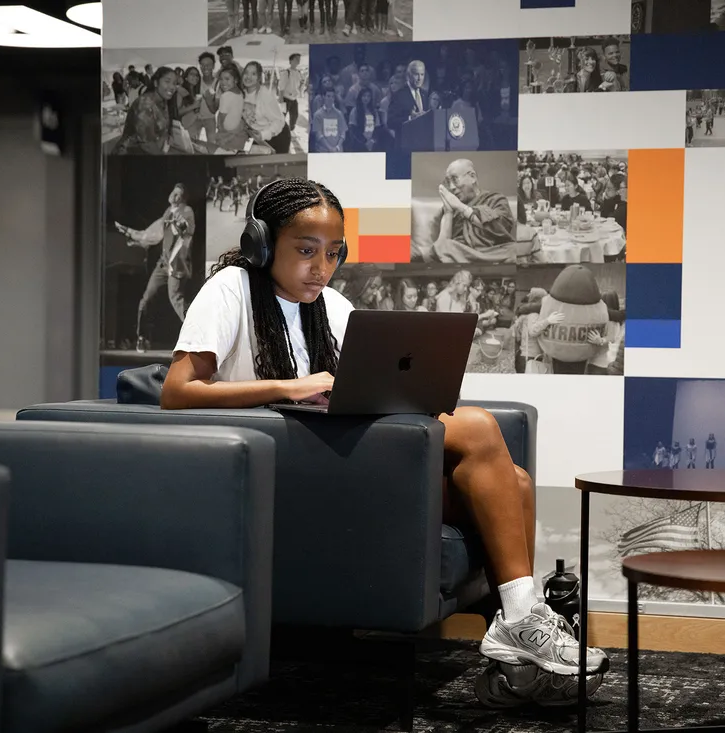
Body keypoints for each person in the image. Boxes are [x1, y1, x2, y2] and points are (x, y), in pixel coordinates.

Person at [160, 177, 607, 699]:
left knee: (518, 484)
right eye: (305, 251)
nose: (320, 267)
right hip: (277, 466)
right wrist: (291, 385)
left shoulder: (333, 306)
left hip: (340, 456)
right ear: (262, 243)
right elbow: (176, 391)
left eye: (332, 253)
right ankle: (521, 630)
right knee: (480, 425)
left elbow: (364, 388)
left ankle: (519, 639)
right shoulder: (230, 290)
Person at [114, 182, 195, 352]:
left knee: (176, 300)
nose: (175, 196)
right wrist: (128, 231)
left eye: (180, 194)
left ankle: (198, 336)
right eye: (174, 191)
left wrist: (180, 226)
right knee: (146, 299)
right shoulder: (167, 213)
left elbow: (187, 229)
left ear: (183, 199)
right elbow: (150, 235)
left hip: (177, 266)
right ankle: (141, 338)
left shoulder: (186, 211)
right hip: (162, 265)